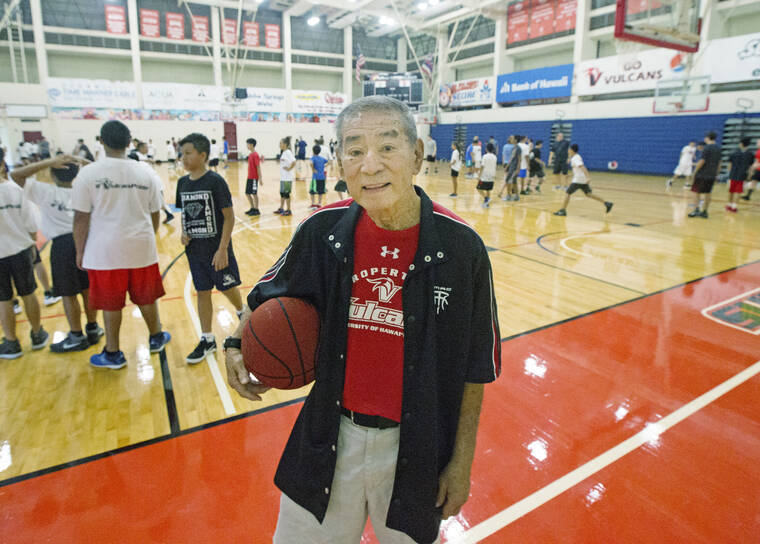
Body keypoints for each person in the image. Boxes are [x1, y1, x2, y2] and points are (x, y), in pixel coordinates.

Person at [224, 95, 501, 544]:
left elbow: (476, 365)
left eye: (387, 147)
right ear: (339, 162)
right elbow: (266, 294)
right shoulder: (322, 230)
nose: (370, 165)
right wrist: (235, 343)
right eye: (354, 150)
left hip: (416, 448)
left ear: (417, 156)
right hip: (328, 436)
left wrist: (461, 461)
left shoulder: (461, 248)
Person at [71, 120, 171, 369]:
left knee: (110, 303)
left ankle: (113, 353)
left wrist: (80, 250)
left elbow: (81, 217)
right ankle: (156, 337)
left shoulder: (88, 174)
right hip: (141, 249)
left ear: (101, 141)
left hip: (104, 252)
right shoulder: (146, 173)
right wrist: (147, 237)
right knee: (147, 298)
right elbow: (155, 212)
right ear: (129, 142)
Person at [10, 154, 104, 352]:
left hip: (62, 246)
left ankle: (76, 336)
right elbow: (104, 170)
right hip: (86, 242)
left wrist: (49, 161)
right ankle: (93, 328)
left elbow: (16, 175)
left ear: (52, 174)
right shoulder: (86, 190)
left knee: (69, 293)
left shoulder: (46, 191)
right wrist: (81, 160)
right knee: (87, 288)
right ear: (76, 173)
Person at [176, 133, 244, 363]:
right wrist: (184, 232)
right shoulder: (182, 183)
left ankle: (243, 314)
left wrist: (223, 248)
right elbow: (185, 213)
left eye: (188, 153)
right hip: (195, 251)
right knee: (202, 291)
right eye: (182, 153)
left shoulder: (215, 182)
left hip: (216, 249)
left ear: (203, 155)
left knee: (227, 287)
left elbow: (229, 217)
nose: (183, 157)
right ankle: (207, 338)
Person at [0, 147, 49, 358]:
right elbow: (31, 225)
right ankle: (37, 334)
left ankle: (11, 343)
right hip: (20, 250)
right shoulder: (14, 190)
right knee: (28, 293)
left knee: (3, 299)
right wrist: (31, 243)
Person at [553, 144, 613, 216]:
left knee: (568, 193)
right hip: (581, 179)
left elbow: (582, 167)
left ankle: (563, 210)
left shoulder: (575, 158)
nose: (568, 150)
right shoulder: (576, 157)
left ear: (571, 150)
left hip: (578, 180)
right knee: (588, 194)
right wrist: (570, 175)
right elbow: (578, 170)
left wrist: (588, 177)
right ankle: (606, 203)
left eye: (569, 149)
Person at [688, 131, 721, 219]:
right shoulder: (718, 149)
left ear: (707, 137)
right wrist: (717, 174)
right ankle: (705, 212)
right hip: (712, 174)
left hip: (702, 174)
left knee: (695, 191)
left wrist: (694, 172)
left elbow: (702, 161)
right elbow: (719, 163)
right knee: (708, 193)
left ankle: (696, 210)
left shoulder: (706, 148)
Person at [725, 137, 753, 213]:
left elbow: (729, 164)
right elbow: (750, 167)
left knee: (731, 190)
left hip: (733, 174)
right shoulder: (750, 154)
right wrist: (749, 175)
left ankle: (729, 205)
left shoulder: (734, 153)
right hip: (742, 175)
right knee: (738, 191)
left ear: (741, 144)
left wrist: (729, 172)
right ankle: (734, 207)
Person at [275, 137, 296, 216]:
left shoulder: (288, 152)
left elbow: (294, 162)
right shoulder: (284, 152)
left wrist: (289, 168)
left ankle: (289, 210)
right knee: (282, 193)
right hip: (283, 177)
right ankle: (281, 208)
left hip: (287, 178)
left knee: (286, 194)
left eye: (281, 143)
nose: (279, 145)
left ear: (285, 144)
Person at [498, 135, 521, 202]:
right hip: (511, 167)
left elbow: (519, 159)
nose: (511, 139)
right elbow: (511, 158)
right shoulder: (514, 148)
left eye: (512, 138)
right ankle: (516, 196)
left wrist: (518, 169)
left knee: (508, 180)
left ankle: (509, 196)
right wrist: (507, 166)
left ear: (515, 140)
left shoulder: (518, 148)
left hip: (514, 168)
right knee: (514, 182)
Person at [245, 138, 263, 216]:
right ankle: (252, 208)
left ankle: (256, 209)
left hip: (254, 178)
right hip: (249, 177)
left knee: (254, 194)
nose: (247, 146)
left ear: (252, 145)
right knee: (247, 193)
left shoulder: (255, 155)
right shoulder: (250, 154)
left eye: (248, 144)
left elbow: (258, 167)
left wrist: (260, 178)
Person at [477, 142, 497, 208]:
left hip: (484, 176)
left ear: (486, 149)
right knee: (488, 190)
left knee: (478, 188)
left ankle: (486, 198)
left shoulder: (485, 156)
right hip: (492, 176)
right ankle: (487, 204)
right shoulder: (495, 157)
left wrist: (479, 175)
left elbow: (482, 166)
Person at [309, 145, 328, 210]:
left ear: (313, 151)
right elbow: (329, 161)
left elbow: (311, 163)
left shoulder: (313, 158)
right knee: (320, 191)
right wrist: (324, 166)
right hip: (322, 177)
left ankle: (313, 203)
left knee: (312, 191)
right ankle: (319, 204)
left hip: (315, 178)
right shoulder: (322, 158)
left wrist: (313, 169)